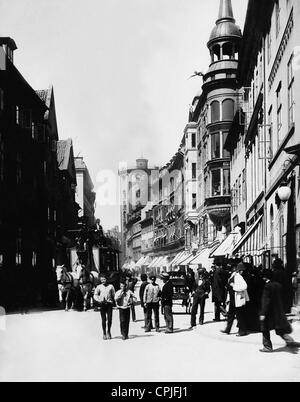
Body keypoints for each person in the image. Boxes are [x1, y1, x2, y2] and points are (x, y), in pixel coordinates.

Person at [259, 269, 295, 353]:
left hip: (269, 311)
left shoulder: (267, 287)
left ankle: (267, 346)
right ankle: (289, 341)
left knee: (264, 328)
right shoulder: (278, 285)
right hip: (278, 310)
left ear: (265, 277)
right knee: (279, 328)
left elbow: (265, 300)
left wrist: (263, 312)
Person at [221, 262, 249, 337]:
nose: (242, 271)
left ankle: (242, 331)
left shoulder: (240, 277)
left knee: (240, 316)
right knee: (230, 315)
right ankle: (227, 329)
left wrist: (234, 287)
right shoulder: (234, 275)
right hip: (233, 298)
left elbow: (244, 286)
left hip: (238, 299)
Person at [93, 274, 115, 340]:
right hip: (102, 304)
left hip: (109, 304)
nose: (103, 281)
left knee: (110, 319)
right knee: (103, 320)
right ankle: (104, 333)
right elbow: (95, 295)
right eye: (101, 280)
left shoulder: (111, 286)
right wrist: (99, 300)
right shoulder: (99, 287)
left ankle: (109, 331)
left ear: (107, 279)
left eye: (104, 279)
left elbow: (114, 295)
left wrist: (114, 301)